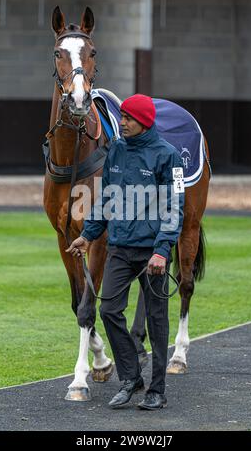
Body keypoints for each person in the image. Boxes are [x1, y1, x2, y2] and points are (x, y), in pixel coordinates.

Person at [66, 94, 185, 410]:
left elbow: (175, 207)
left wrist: (162, 251)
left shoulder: (168, 156)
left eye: (129, 118)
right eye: (123, 117)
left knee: (156, 322)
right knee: (108, 311)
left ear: (144, 122)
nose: (123, 122)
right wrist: (88, 235)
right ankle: (132, 378)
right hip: (119, 247)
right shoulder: (116, 150)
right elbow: (106, 197)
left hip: (153, 254)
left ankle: (157, 390)